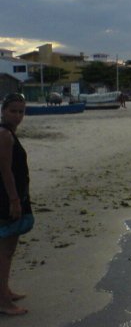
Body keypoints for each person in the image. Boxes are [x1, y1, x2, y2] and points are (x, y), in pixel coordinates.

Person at [0, 93, 33, 316]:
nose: (18, 115)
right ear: (3, 111)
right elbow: (5, 171)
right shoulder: (4, 135)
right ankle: (3, 301)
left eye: (21, 111)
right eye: (13, 110)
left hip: (15, 197)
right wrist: (14, 200)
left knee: (8, 249)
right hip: (7, 199)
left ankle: (5, 291)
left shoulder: (9, 133)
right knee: (5, 251)